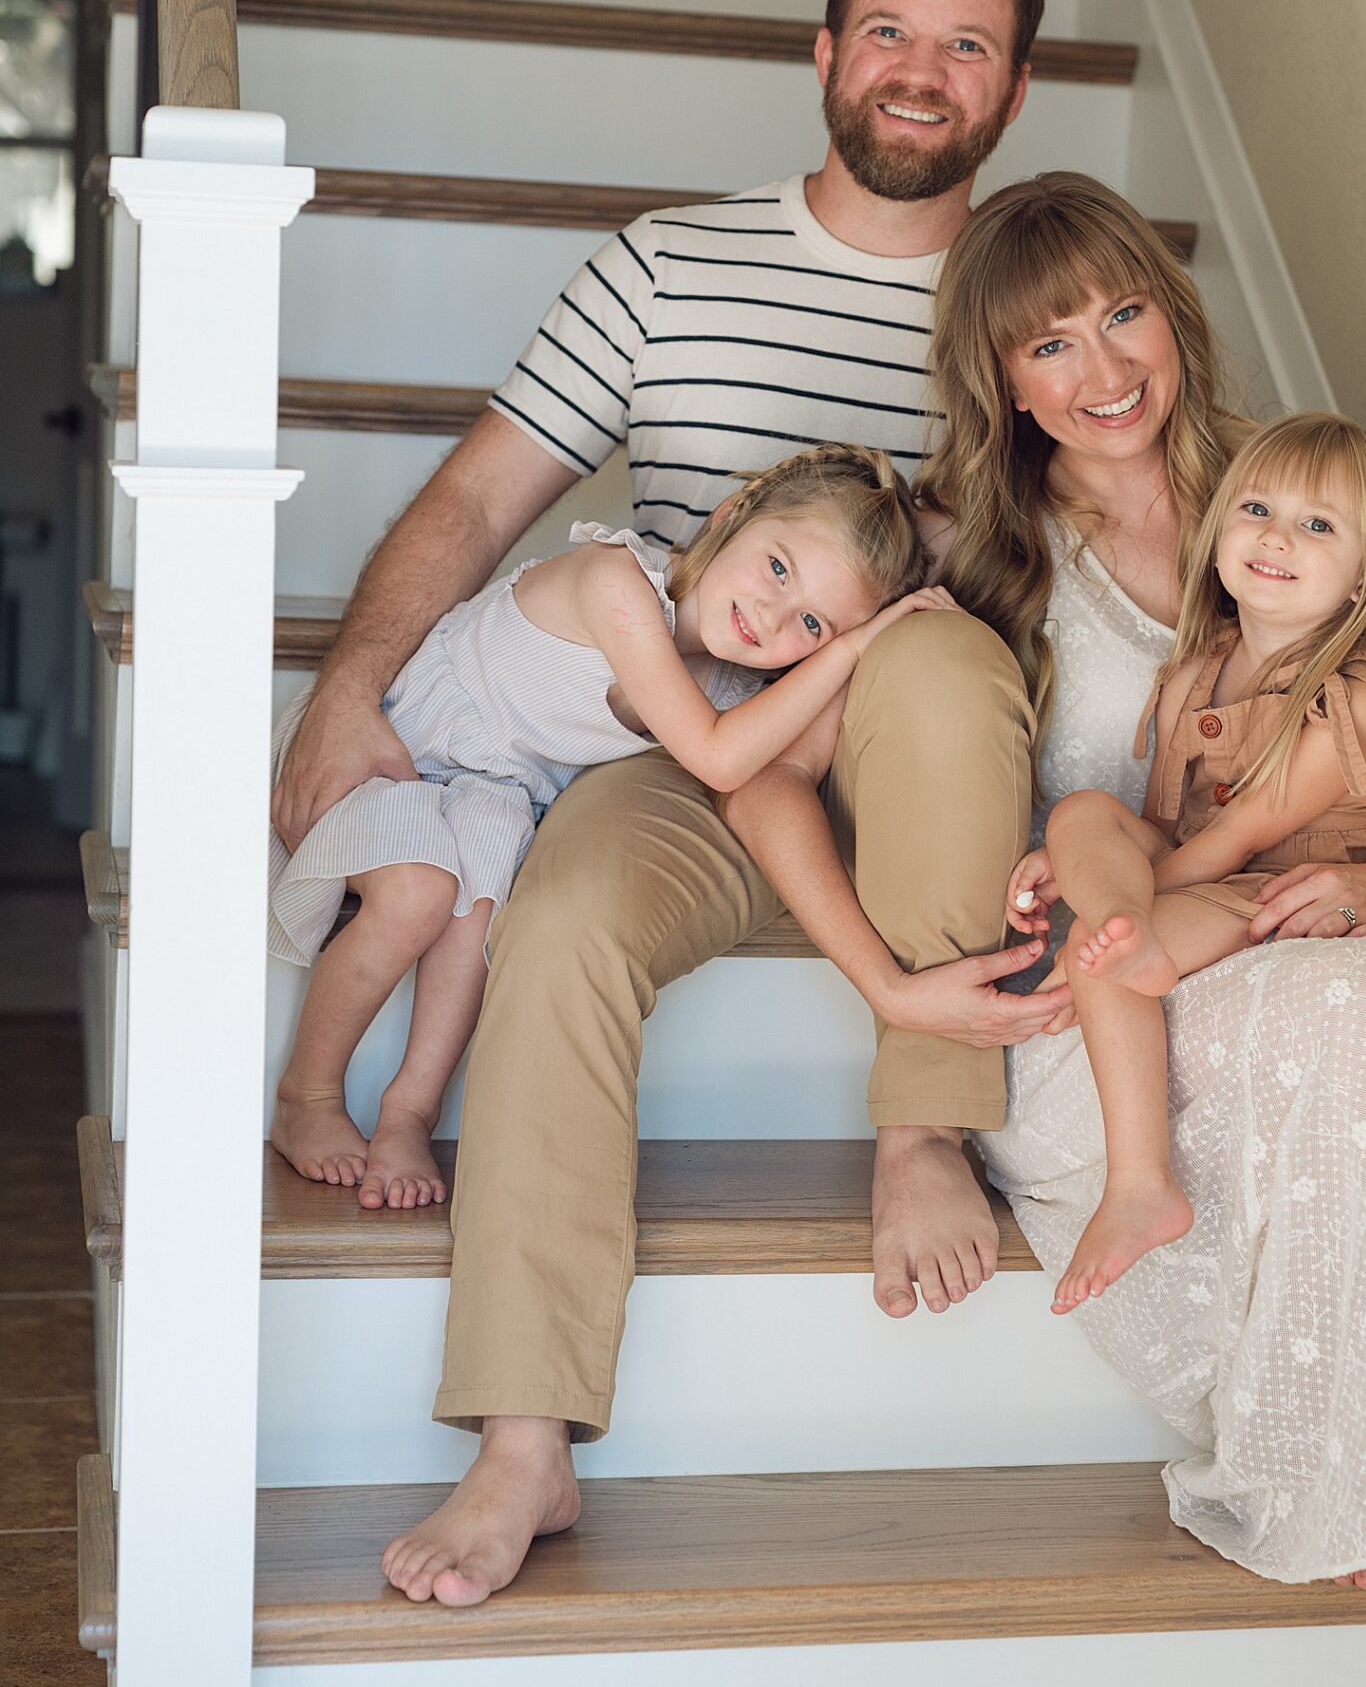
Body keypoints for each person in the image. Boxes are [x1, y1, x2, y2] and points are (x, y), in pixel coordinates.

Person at [272, 0, 1075, 1609]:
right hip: (690, 738)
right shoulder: (667, 263)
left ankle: (924, 1128)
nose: (919, 70)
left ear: (1011, 91)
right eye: (888, 30)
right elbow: (479, 497)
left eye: (966, 45)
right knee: (559, 913)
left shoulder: (1029, 309)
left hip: (925, 759)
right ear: (825, 53)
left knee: (935, 654)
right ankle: (524, 1436)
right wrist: (352, 686)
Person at [726, 172, 1366, 1674]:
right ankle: (1333, 1463)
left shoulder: (1287, 487)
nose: (1103, 372)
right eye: (1050, 345)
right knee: (1330, 1000)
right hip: (1105, 981)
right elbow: (764, 769)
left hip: (1271, 912)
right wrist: (888, 985)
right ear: (1000, 380)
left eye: (1124, 315)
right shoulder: (960, 547)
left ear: (1175, 314)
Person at [268, 448, 945, 1210]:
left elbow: (768, 759)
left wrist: (863, 641)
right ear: (731, 517)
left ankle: (407, 1115)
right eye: (777, 568)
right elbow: (719, 759)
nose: (771, 615)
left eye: (812, 623)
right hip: (402, 747)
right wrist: (850, 644)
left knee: (478, 915)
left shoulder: (734, 679)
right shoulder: (616, 583)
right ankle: (308, 1095)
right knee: (419, 894)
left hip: (488, 796)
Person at [1011, 413, 1366, 1311]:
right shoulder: (1192, 671)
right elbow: (1161, 826)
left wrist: (1109, 913)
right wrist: (1093, 864)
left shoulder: (1357, 700)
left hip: (1280, 888)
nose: (1276, 537)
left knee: (1104, 961)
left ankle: (1140, 1185)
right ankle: (1120, 925)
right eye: (1256, 509)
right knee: (1081, 812)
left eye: (1317, 525)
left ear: (1363, 578)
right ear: (1218, 529)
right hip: (1208, 869)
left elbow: (1232, 844)